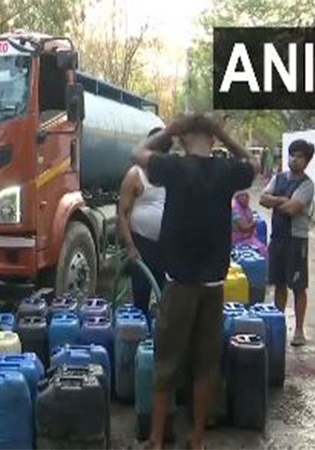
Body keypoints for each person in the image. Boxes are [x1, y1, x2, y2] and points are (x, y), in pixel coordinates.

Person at [133, 114, 259, 450]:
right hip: (214, 286)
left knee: (166, 362)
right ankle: (198, 439)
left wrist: (169, 130)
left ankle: (158, 440)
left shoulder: (172, 168)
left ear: (184, 138)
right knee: (206, 366)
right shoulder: (227, 172)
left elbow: (138, 154)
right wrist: (225, 135)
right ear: (213, 140)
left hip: (179, 283)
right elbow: (254, 164)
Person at [260, 139, 314, 347]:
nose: (294, 159)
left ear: (307, 160)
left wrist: (277, 201)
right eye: (292, 155)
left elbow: (293, 209)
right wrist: (284, 201)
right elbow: (263, 199)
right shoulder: (279, 177)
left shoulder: (308, 185)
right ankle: (278, 325)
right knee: (278, 283)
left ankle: (299, 330)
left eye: (299, 156)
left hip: (296, 239)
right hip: (278, 238)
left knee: (298, 286)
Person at [119, 127, 173, 316]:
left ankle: (160, 336)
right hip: (141, 244)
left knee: (166, 297)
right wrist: (130, 246)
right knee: (141, 294)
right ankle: (139, 334)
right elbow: (122, 213)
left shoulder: (170, 173)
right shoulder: (135, 174)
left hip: (166, 244)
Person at [231, 190, 267, 256]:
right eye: (242, 196)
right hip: (238, 240)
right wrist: (254, 223)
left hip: (248, 236)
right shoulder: (235, 209)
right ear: (237, 198)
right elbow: (244, 227)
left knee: (264, 249)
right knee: (261, 250)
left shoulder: (246, 207)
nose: (245, 198)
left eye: (246, 196)